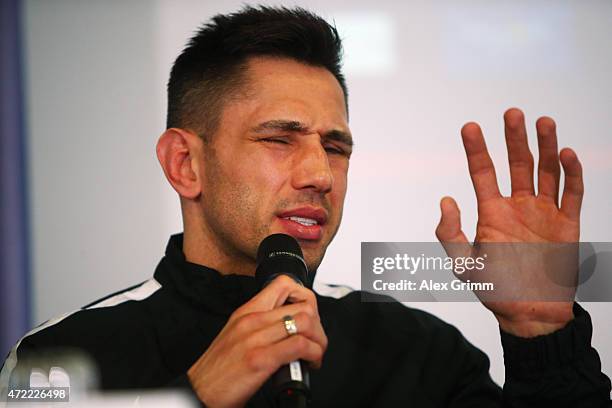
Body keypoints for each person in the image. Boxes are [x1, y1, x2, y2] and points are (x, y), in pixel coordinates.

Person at [1, 5, 610, 407]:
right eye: (278, 138)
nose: (320, 174)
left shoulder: (414, 350)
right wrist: (192, 398)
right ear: (185, 164)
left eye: (336, 147)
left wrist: (541, 336)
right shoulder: (59, 364)